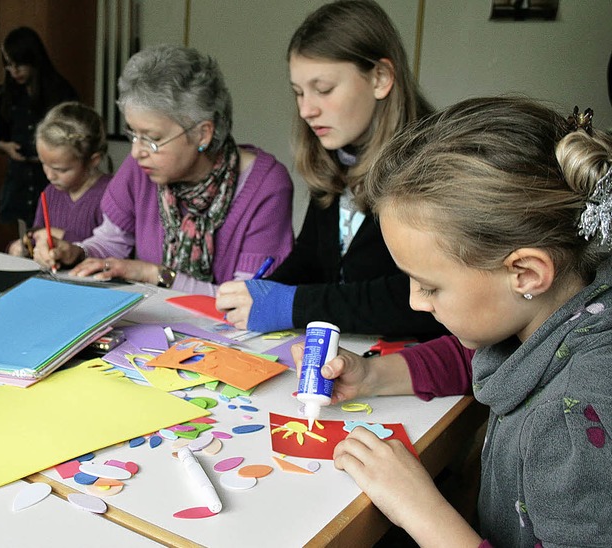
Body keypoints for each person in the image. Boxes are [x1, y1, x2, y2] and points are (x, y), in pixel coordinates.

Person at [295, 97, 612, 546]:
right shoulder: (566, 305)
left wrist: (420, 509)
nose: (415, 302)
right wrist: (373, 375)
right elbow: (487, 358)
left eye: (430, 286)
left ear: (525, 273)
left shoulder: (575, 420)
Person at [216, 0, 445, 339]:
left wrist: (291, 304)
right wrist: (266, 289)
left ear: (380, 78)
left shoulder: (435, 164)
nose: (307, 110)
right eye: (298, 93)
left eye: (323, 90)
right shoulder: (339, 153)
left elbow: (419, 298)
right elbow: (313, 258)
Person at [33, 45, 294, 294]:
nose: (136, 152)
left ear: (203, 134)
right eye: (133, 134)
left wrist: (154, 274)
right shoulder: (143, 169)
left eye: (152, 138)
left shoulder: (266, 187)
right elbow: (111, 243)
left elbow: (249, 297)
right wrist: (76, 252)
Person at [0, 27, 78, 227]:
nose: (14, 72)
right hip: (19, 178)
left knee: (52, 233)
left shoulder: (61, 92)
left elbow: (76, 138)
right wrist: (5, 147)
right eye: (9, 65)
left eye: (19, 65)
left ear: (33, 59)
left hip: (50, 177)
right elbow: (0, 136)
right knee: (19, 240)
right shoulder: (5, 95)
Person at [7, 102, 111, 256]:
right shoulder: (50, 193)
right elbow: (38, 235)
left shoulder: (111, 195)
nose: (49, 175)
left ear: (93, 160)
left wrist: (62, 236)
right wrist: (24, 246)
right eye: (44, 164)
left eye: (61, 170)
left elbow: (113, 251)